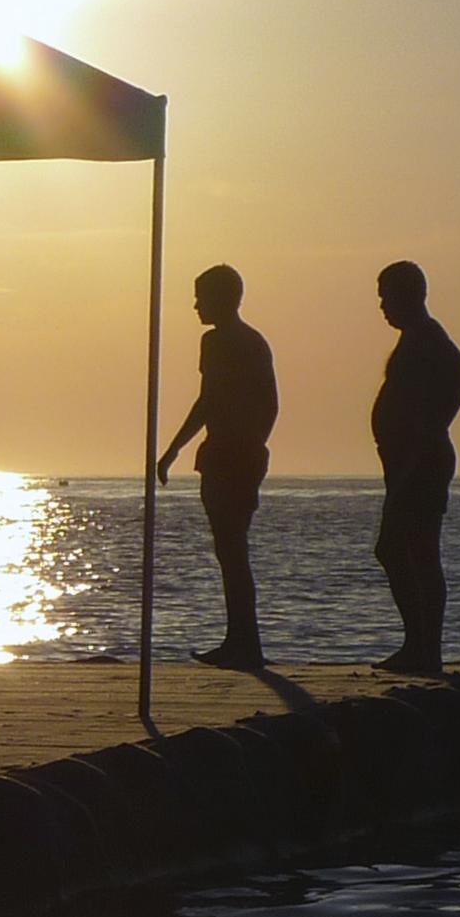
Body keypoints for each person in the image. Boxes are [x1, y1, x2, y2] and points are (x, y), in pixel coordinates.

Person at [156, 264, 279, 668]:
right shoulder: (249, 342)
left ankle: (245, 643)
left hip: (232, 458)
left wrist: (242, 445)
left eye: (201, 297)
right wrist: (176, 449)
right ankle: (241, 639)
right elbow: (219, 403)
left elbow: (212, 402)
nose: (195, 306)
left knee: (232, 550)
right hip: (233, 454)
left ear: (221, 298)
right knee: (231, 552)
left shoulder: (223, 342)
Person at [371, 260, 460, 674]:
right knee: (404, 549)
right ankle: (419, 645)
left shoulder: (428, 337)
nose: (381, 306)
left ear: (409, 295)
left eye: (386, 296)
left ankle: (425, 648)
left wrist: (433, 426)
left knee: (410, 550)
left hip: (420, 463)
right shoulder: (414, 339)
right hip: (408, 462)